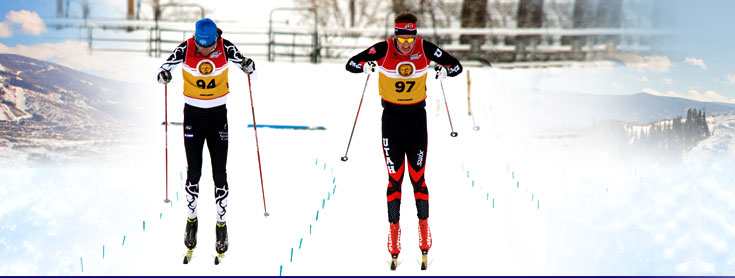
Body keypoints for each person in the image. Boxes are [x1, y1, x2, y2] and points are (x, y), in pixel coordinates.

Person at [344, 11, 462, 269]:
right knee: (394, 178)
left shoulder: (424, 48)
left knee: (418, 178)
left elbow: (456, 66)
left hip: (417, 121)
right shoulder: (383, 49)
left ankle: (424, 234)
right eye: (403, 39)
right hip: (392, 121)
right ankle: (394, 237)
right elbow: (351, 63)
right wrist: (366, 66)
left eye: (411, 39)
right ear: (396, 35)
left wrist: (444, 73)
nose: (407, 44)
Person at [156, 18, 255, 259]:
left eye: (208, 46)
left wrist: (249, 66)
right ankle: (192, 220)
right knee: (194, 171)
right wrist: (164, 76)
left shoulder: (225, 47)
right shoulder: (186, 48)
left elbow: (246, 65)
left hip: (218, 115)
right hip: (193, 115)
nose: (205, 50)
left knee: (219, 173)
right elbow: (162, 70)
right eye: (201, 46)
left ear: (215, 41)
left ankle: (221, 224)